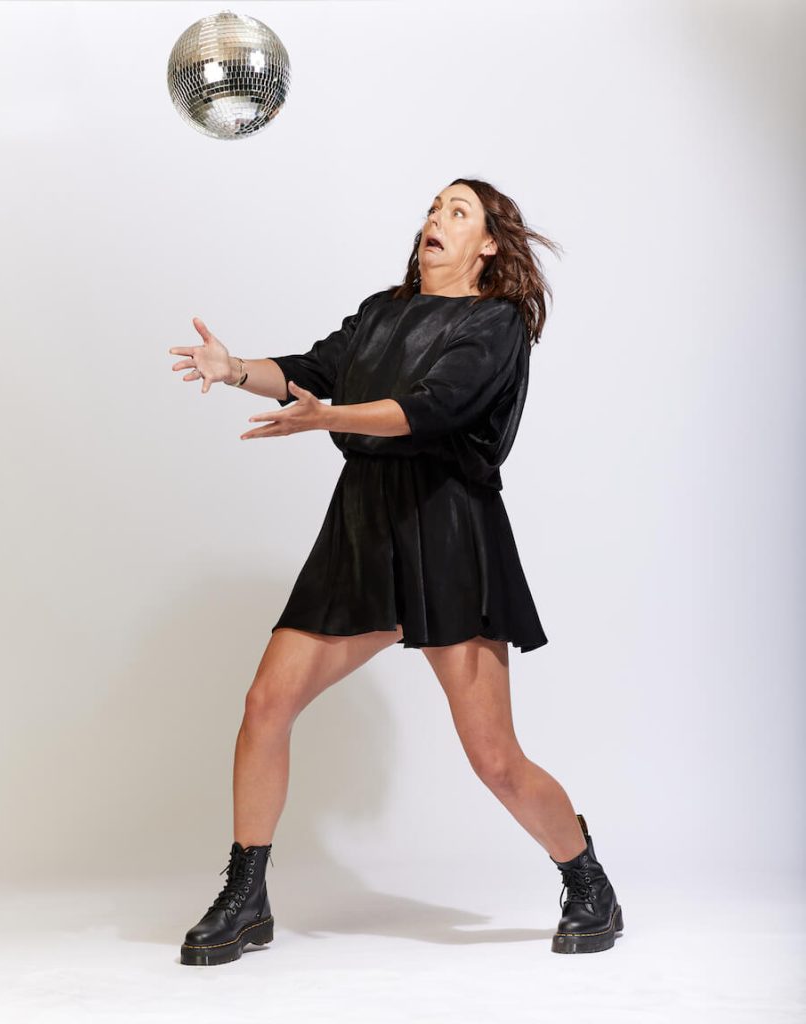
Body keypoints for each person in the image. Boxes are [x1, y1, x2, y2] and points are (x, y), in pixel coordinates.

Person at [168, 178, 624, 965]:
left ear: (489, 244)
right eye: (433, 208)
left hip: (448, 531)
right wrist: (235, 366)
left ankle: (588, 881)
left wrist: (328, 418)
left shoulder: (496, 324)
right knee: (266, 704)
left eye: (458, 212)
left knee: (494, 759)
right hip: (362, 526)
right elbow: (312, 369)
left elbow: (431, 409)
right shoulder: (382, 312)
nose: (436, 220)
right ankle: (247, 897)